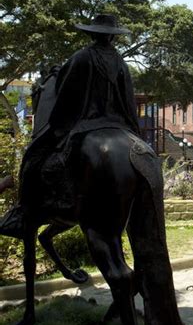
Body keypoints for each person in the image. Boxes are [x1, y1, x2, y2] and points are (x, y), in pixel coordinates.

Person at [0, 14, 140, 237]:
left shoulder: (82, 57)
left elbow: (64, 92)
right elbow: (129, 102)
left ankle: (22, 213)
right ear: (113, 37)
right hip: (119, 125)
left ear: (92, 33)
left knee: (32, 156)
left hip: (85, 124)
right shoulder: (121, 64)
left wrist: (56, 123)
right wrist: (135, 132)